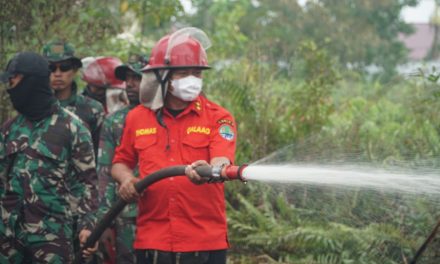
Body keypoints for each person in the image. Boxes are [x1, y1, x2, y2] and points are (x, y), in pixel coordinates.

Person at [111, 27, 237, 264]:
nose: (192, 80)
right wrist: (127, 179)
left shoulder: (219, 117)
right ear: (162, 76)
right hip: (152, 241)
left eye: (197, 73)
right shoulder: (137, 117)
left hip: (204, 243)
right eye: (183, 73)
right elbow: (120, 162)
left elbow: (222, 160)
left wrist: (209, 170)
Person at [0, 51, 98, 263]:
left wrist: (87, 227)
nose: (10, 89)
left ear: (31, 82)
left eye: (13, 82)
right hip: (8, 241)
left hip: (52, 241)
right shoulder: (9, 129)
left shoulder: (73, 128)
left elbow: (87, 185)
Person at [97, 54, 148, 264]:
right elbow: (104, 172)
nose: (131, 84)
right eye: (128, 78)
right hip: (125, 214)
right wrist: (104, 221)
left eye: (137, 78)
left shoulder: (165, 116)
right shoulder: (114, 122)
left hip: (159, 213)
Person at [42, 40, 105, 153]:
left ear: (75, 70)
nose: (57, 74)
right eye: (51, 67)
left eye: (64, 67)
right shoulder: (35, 107)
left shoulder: (93, 109)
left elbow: (100, 154)